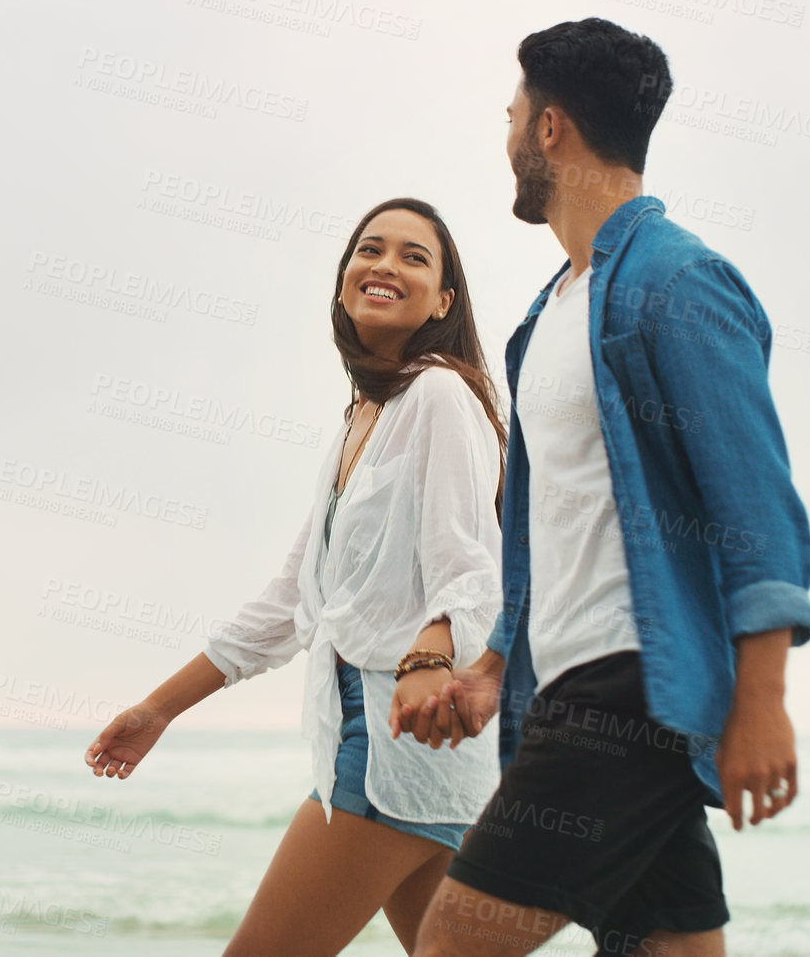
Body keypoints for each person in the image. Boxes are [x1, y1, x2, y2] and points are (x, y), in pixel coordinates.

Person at [398, 19, 810, 957]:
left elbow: (755, 504)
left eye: (512, 115)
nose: (506, 136)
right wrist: (495, 664)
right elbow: (559, 533)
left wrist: (762, 698)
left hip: (624, 695)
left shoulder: (676, 283)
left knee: (449, 948)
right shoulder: (548, 315)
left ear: (549, 128)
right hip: (571, 689)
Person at [85, 197, 511, 956]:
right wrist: (158, 708)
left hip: (391, 738)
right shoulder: (362, 420)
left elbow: (471, 564)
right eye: (368, 249)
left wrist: (428, 655)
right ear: (344, 277)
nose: (384, 265)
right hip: (403, 750)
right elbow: (290, 602)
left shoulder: (440, 394)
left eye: (414, 257)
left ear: (443, 301)